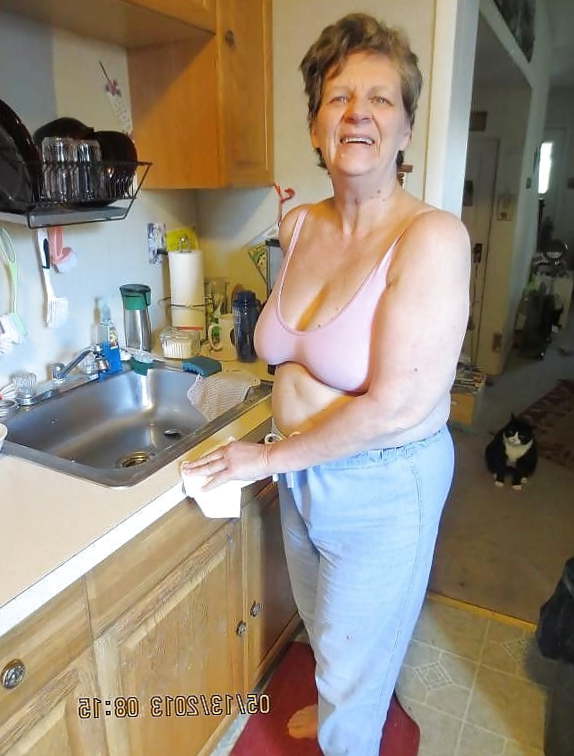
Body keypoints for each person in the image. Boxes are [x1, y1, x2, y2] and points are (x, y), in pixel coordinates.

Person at [182, 13, 470, 756]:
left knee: (356, 677)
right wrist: (281, 454)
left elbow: (398, 405)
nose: (357, 114)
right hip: (304, 472)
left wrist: (267, 458)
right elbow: (292, 352)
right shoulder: (299, 226)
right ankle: (339, 704)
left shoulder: (431, 238)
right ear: (315, 126)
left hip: (383, 483)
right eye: (338, 97)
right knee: (323, 630)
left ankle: (351, 729)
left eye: (380, 99)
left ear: (406, 129)